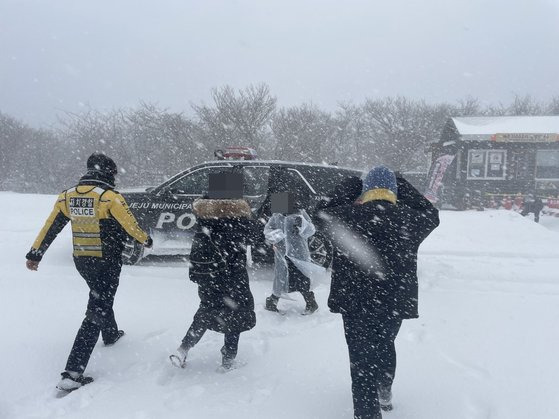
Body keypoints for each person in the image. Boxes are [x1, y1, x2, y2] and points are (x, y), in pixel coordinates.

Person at [317, 166, 439, 419]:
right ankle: (384, 388)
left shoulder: (344, 217)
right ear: (393, 190)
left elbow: (318, 211)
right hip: (393, 301)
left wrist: (351, 184)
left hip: (354, 300)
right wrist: (401, 184)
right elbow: (431, 213)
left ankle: (367, 413)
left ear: (365, 191)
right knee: (384, 343)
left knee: (360, 359)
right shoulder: (409, 219)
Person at [25, 153, 152, 392]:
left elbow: (50, 227)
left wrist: (35, 253)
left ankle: (111, 334)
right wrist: (146, 240)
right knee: (97, 308)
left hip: (82, 261)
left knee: (100, 296)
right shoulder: (109, 197)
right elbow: (130, 225)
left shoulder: (67, 196)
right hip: (107, 261)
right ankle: (72, 373)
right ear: (108, 173)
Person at [169, 173, 262, 371]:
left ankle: (183, 349)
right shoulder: (241, 218)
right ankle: (227, 360)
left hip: (209, 276)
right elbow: (257, 238)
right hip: (234, 276)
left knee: (206, 311)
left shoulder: (204, 216)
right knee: (235, 315)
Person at [263, 192, 319, 314]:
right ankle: (272, 301)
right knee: (280, 277)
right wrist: (278, 235)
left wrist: (302, 225)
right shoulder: (277, 215)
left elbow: (311, 230)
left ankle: (310, 302)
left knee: (302, 277)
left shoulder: (301, 214)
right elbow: (267, 230)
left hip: (299, 254)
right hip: (282, 254)